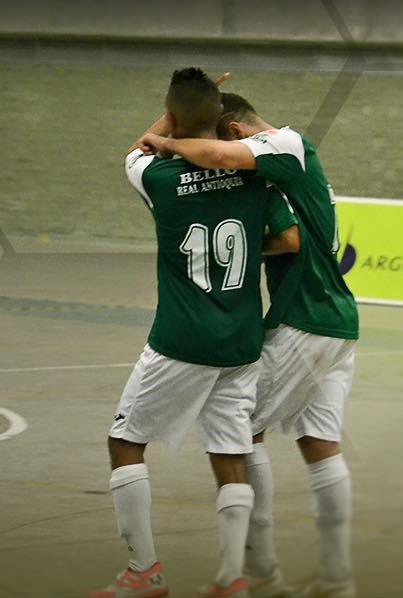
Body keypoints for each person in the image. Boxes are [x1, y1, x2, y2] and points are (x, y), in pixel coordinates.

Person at [139, 92, 359, 598]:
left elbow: (222, 162)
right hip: (336, 322)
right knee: (320, 444)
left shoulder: (285, 145)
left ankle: (261, 572)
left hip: (303, 320)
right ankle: (336, 578)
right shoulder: (287, 169)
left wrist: (169, 141)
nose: (220, 160)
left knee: (239, 430)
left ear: (237, 132)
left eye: (224, 145)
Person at [89, 72, 299, 598]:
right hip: (242, 342)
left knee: (124, 442)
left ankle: (144, 572)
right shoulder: (257, 177)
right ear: (221, 118)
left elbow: (137, 148)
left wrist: (172, 117)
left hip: (181, 341)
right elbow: (287, 237)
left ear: (172, 115)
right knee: (230, 452)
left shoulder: (155, 176)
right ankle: (232, 578)